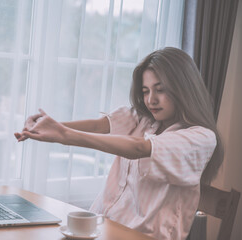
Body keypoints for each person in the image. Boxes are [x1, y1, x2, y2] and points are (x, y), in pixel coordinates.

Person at [14, 47, 223, 240]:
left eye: (160, 89)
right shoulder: (143, 119)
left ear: (183, 89)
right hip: (104, 228)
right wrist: (49, 126)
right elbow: (99, 126)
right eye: (145, 91)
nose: (151, 100)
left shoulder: (201, 138)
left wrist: (64, 135)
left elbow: (139, 148)